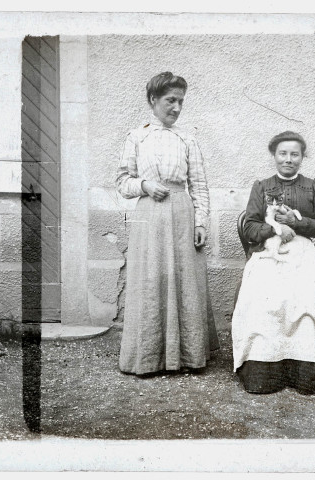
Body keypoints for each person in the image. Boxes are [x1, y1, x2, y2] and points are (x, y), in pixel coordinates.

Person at [114, 71, 219, 376]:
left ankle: (188, 356)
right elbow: (123, 182)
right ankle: (149, 358)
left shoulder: (188, 139)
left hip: (183, 216)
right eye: (170, 100)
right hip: (150, 217)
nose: (176, 107)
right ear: (153, 100)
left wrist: (201, 223)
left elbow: (199, 186)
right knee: (151, 282)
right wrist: (145, 185)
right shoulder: (137, 136)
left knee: (186, 282)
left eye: (181, 101)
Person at [232, 130, 315, 395]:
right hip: (268, 251)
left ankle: (302, 370)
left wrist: (296, 223)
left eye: (294, 154)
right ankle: (262, 369)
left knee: (303, 299)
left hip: (301, 252)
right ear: (274, 156)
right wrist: (275, 230)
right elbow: (251, 227)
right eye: (283, 154)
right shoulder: (261, 186)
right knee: (262, 297)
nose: (288, 160)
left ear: (302, 157)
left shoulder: (312, 186)